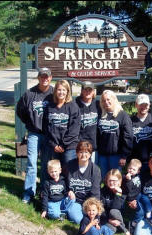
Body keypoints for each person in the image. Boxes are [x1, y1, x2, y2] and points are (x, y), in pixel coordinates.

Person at [16, 67, 54, 204]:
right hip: (34, 133)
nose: (45, 79)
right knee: (32, 164)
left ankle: (44, 192)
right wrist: (29, 122)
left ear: (50, 78)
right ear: (38, 77)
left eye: (47, 76)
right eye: (42, 76)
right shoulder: (29, 94)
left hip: (50, 135)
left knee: (45, 164)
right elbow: (20, 110)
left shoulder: (54, 93)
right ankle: (29, 192)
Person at [63, 141, 102, 224]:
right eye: (81, 152)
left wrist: (93, 210)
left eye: (86, 152)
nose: (83, 155)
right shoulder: (69, 165)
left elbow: (95, 194)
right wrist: (68, 191)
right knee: (78, 220)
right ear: (77, 153)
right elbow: (63, 182)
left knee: (88, 218)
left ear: (91, 154)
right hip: (74, 201)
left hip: (88, 202)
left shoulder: (95, 170)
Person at [44, 80, 81, 166]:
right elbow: (46, 127)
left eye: (64, 90)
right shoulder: (50, 107)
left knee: (69, 172)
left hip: (69, 146)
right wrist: (54, 145)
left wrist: (63, 145)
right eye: (59, 90)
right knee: (54, 172)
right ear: (55, 91)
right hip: (53, 146)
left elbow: (74, 130)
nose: (61, 92)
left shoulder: (73, 106)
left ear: (68, 92)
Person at [97, 90, 133, 178]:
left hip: (116, 155)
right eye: (104, 100)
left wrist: (124, 156)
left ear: (114, 99)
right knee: (105, 179)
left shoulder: (123, 115)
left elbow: (128, 136)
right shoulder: (100, 115)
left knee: (116, 180)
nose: (106, 102)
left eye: (108, 99)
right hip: (102, 155)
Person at [75, 81, 101, 163]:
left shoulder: (98, 105)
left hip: (94, 145)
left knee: (92, 169)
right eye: (85, 90)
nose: (88, 92)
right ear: (82, 91)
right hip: (79, 145)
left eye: (90, 90)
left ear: (93, 92)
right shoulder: (75, 104)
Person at [130, 94, 152, 175]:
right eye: (141, 104)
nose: (143, 107)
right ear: (136, 105)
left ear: (149, 105)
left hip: (151, 161)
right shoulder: (130, 121)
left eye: (146, 105)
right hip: (135, 162)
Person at [101, 169, 131, 235]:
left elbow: (116, 207)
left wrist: (118, 194)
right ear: (106, 181)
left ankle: (123, 228)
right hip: (105, 217)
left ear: (119, 181)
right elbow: (101, 209)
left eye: (114, 181)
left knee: (114, 211)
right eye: (110, 180)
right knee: (111, 229)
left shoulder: (123, 192)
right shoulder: (103, 191)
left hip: (118, 216)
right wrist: (109, 220)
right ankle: (118, 228)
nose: (111, 182)